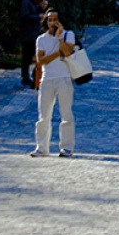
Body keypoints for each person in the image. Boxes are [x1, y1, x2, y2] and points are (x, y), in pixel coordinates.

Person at [29, 9, 78, 157]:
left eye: (55, 20)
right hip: (47, 79)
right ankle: (41, 147)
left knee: (66, 114)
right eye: (49, 20)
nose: (52, 23)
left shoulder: (69, 35)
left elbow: (68, 53)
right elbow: (40, 61)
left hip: (64, 78)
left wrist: (59, 39)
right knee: (43, 115)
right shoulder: (41, 39)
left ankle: (67, 147)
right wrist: (58, 53)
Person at [19, 0, 44, 87]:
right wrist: (38, 17)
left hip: (33, 34)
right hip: (27, 34)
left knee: (31, 57)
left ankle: (32, 77)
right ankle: (25, 78)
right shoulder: (26, 2)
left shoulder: (33, 2)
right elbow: (25, 16)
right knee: (27, 57)